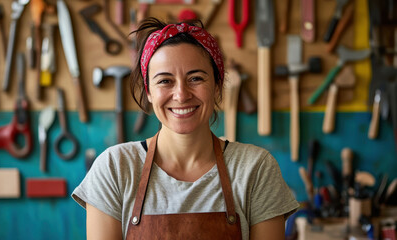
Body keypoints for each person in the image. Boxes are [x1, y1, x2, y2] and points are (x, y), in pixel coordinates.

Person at [72, 18, 299, 240]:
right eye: (164, 81)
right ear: (149, 91)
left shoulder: (255, 169)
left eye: (196, 78)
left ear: (217, 87)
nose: (181, 94)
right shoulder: (115, 168)